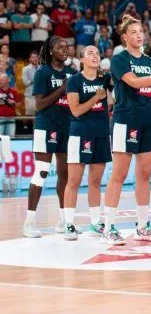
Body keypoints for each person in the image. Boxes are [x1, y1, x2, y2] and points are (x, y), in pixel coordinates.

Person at [104, 15, 151, 246]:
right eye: (134, 32)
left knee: (145, 175)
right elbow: (135, 83)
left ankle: (142, 226)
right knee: (119, 175)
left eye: (141, 32)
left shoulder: (149, 62)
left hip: (148, 122)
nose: (139, 35)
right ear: (124, 37)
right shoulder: (119, 59)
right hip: (125, 121)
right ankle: (108, 227)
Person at [24, 36, 76, 238]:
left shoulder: (72, 72)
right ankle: (29, 222)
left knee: (65, 174)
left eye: (67, 47)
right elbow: (40, 104)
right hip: (46, 126)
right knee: (42, 171)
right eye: (60, 47)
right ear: (51, 50)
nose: (65, 49)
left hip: (67, 127)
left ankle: (63, 221)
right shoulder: (43, 72)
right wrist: (63, 87)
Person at [62, 46, 111, 240]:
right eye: (90, 53)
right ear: (82, 59)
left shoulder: (104, 79)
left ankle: (95, 222)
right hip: (80, 134)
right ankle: (68, 224)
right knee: (73, 181)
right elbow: (75, 111)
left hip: (101, 133)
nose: (95, 55)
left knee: (96, 181)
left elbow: (109, 103)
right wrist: (96, 97)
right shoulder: (74, 80)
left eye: (97, 53)